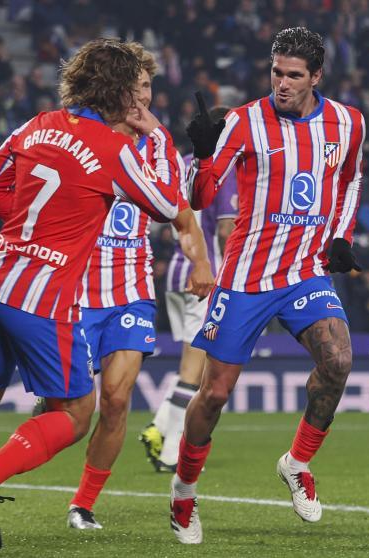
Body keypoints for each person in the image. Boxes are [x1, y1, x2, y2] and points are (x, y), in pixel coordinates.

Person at [0, 38, 182, 553]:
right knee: (77, 412)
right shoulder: (114, 148)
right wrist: (156, 134)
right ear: (119, 93)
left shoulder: (35, 124)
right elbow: (166, 205)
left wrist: (32, 229)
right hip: (43, 297)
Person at [169, 27, 365, 544]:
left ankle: (296, 462)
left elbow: (350, 179)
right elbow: (201, 196)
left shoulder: (348, 122)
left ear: (316, 76)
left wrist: (341, 234)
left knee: (339, 361)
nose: (281, 82)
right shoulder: (244, 121)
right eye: (276, 71)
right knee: (213, 393)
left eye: (293, 75)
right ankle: (184, 492)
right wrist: (205, 154)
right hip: (247, 277)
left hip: (304, 270)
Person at [61, 44, 213, 530]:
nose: (141, 96)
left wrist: (200, 262)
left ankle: (83, 504)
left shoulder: (157, 144)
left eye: (147, 86)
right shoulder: (83, 138)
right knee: (69, 407)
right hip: (78, 291)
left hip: (130, 290)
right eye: (133, 86)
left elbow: (178, 210)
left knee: (118, 400)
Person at [139, 106, 238, 474]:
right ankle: (168, 450)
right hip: (205, 275)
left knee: (192, 365)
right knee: (195, 371)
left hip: (177, 274)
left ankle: (160, 427)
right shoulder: (222, 167)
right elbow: (227, 230)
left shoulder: (180, 163)